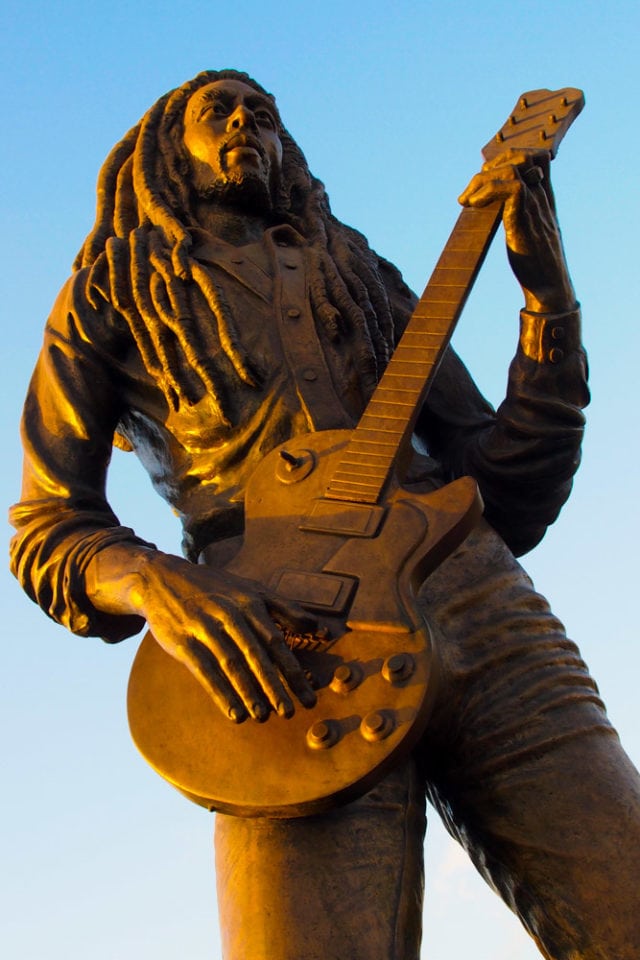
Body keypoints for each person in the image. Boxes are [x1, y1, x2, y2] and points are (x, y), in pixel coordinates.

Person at [9, 69, 640, 959]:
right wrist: (159, 585)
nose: (245, 124)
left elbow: (512, 484)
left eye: (263, 114)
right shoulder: (113, 292)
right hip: (278, 651)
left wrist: (548, 300)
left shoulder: (357, 269)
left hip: (479, 604)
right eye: (218, 112)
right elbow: (47, 526)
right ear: (164, 155)